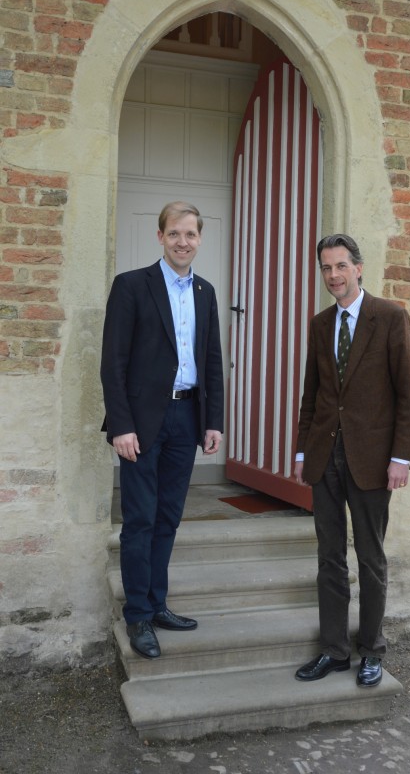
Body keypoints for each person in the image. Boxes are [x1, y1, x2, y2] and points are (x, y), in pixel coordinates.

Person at [294, 234, 410, 687]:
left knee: (370, 558)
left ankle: (372, 650)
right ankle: (334, 650)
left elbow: (408, 394)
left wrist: (401, 457)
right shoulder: (320, 323)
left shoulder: (389, 318)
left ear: (359, 268)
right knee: (329, 557)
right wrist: (303, 449)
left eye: (341, 266)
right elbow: (313, 392)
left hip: (372, 459)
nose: (334, 276)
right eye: (326, 268)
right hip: (325, 457)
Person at [100, 201, 224, 660]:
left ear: (199, 238)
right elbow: (112, 364)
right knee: (140, 520)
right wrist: (121, 426)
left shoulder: (206, 292)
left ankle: (157, 603)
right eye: (174, 234)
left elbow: (210, 360)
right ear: (160, 236)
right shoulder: (132, 286)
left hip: (186, 418)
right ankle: (137, 616)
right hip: (142, 423)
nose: (183, 242)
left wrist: (214, 421)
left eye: (190, 234)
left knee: (169, 517)